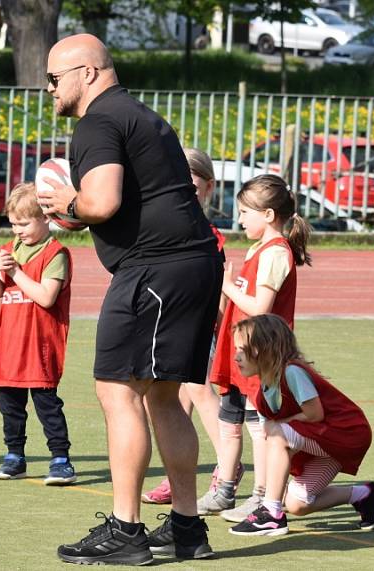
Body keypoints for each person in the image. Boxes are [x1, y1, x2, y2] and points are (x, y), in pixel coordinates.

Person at [38, 34, 223, 565]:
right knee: (162, 395)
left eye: (54, 78)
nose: (48, 89)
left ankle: (126, 530)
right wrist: (79, 209)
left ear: (88, 72)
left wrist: (67, 201)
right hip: (190, 262)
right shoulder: (138, 114)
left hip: (157, 269)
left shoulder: (97, 120)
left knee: (116, 390)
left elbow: (102, 200)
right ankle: (187, 528)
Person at [203, 174, 311, 523]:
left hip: (262, 356)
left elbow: (261, 306)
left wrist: (227, 286)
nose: (239, 219)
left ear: (267, 214)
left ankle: (262, 496)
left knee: (260, 427)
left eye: (245, 212)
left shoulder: (277, 251)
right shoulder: (258, 248)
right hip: (240, 351)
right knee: (228, 420)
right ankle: (223, 489)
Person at [141, 147, 245, 506]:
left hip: (195, 322)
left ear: (208, 188)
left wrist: (219, 324)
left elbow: (212, 284)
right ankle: (178, 474)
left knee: (198, 392)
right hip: (169, 319)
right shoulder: (165, 222)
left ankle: (226, 467)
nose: (183, 191)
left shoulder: (205, 231)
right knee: (175, 398)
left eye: (191, 184)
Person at [227, 314, 374, 537]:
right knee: (296, 504)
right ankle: (365, 494)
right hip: (326, 443)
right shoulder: (263, 391)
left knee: (276, 433)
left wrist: (278, 429)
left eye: (242, 349)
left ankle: (272, 513)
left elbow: (314, 414)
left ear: (266, 347)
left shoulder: (291, 372)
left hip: (348, 434)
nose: (236, 357)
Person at [0, 182, 76, 486]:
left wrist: (15, 273)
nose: (18, 230)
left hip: (40, 345)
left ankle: (60, 459)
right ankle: (15, 456)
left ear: (44, 219)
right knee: (9, 405)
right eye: (13, 224)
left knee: (47, 405)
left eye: (24, 223)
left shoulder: (55, 254)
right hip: (10, 342)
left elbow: (46, 297)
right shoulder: (10, 249)